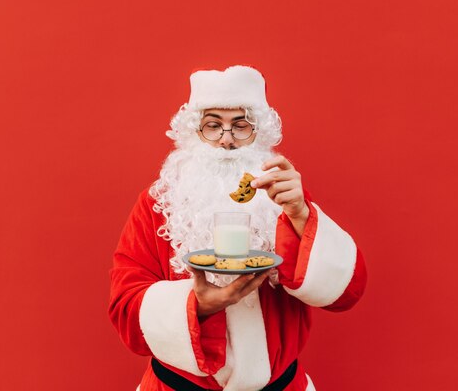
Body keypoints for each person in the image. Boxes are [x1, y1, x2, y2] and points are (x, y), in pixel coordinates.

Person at [109, 66, 367, 391]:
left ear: (259, 133)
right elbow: (125, 313)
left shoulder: (285, 198)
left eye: (241, 126)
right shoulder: (156, 203)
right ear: (194, 133)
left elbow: (346, 294)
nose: (227, 141)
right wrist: (199, 305)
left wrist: (302, 213)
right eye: (213, 126)